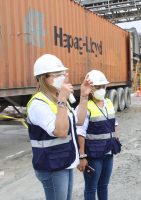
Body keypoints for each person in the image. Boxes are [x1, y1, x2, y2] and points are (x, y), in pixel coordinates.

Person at [26, 54, 92, 200]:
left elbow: (79, 120)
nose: (63, 77)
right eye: (57, 74)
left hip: (64, 161)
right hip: (51, 165)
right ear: (43, 78)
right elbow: (61, 131)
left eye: (63, 73)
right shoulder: (38, 103)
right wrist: (62, 99)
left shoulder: (58, 98)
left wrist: (84, 96)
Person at [76, 70, 121, 200]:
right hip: (93, 155)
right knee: (91, 188)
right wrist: (82, 156)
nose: (101, 89)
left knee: (104, 186)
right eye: (98, 87)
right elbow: (80, 132)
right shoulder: (84, 107)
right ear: (90, 89)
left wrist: (115, 140)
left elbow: (114, 123)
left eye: (103, 86)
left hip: (108, 153)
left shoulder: (108, 102)